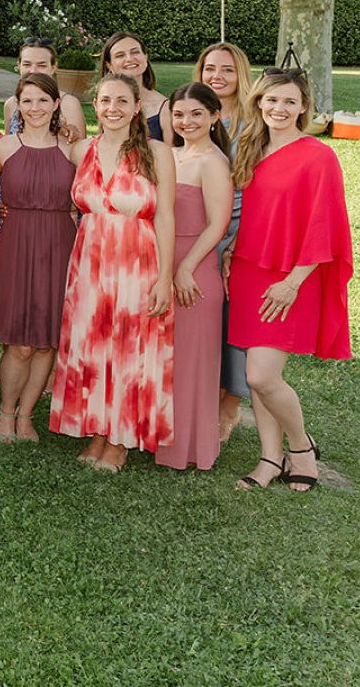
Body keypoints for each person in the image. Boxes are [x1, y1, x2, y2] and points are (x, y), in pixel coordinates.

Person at [227, 69, 351, 492]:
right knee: (255, 376)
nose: (278, 109)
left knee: (262, 375)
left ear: (303, 107)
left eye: (289, 102)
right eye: (271, 100)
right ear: (258, 102)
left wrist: (293, 282)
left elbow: (324, 226)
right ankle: (268, 459)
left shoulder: (318, 156)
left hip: (291, 276)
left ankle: (300, 448)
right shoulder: (249, 147)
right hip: (247, 270)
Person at [50, 73, 176, 472]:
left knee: (127, 347)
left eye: (122, 101)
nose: (113, 108)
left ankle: (121, 438)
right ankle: (98, 430)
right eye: (105, 101)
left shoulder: (157, 152)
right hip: (89, 263)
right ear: (95, 106)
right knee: (92, 344)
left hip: (138, 262)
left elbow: (167, 216)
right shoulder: (80, 150)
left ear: (137, 107)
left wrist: (165, 277)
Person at [0, 72, 79, 444]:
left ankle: (27, 416)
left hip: (59, 242)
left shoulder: (75, 147)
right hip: (16, 243)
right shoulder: (3, 147)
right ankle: (5, 413)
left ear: (56, 104)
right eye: (28, 100)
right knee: (20, 341)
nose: (35, 107)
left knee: (47, 340)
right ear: (17, 105)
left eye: (43, 100)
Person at [156, 83, 235, 471]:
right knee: (165, 357)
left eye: (196, 114)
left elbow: (218, 225)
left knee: (190, 361)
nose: (186, 121)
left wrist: (185, 268)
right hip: (163, 263)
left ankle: (187, 447)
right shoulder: (170, 155)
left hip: (195, 270)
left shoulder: (214, 162)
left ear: (214, 116)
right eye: (179, 114)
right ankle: (157, 435)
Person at [194, 39, 255, 439]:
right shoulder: (192, 114)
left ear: (241, 76)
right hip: (196, 226)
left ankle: (229, 404)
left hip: (241, 227)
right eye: (210, 69)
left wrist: (238, 242)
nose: (217, 76)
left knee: (235, 319)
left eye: (227, 69)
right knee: (200, 316)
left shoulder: (255, 123)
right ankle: (197, 395)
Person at [3, 39, 87, 142]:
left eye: (41, 65)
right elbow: (7, 146)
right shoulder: (11, 104)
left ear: (53, 68)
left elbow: (81, 150)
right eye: (27, 64)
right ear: (19, 66)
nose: (33, 71)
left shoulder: (68, 104)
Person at [101, 31, 172, 142]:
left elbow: (173, 156)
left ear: (145, 57)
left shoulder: (166, 108)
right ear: (109, 65)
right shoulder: (106, 105)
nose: (129, 59)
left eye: (135, 52)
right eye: (120, 55)